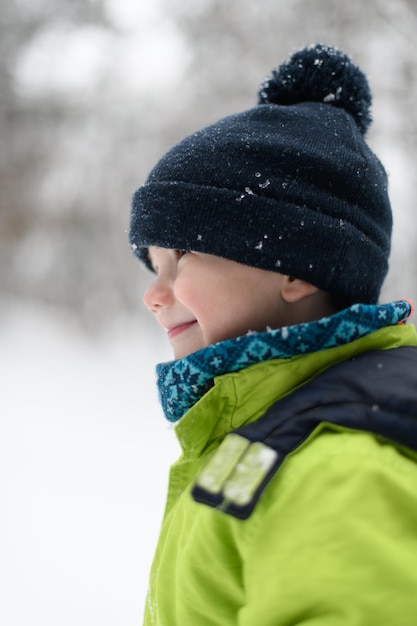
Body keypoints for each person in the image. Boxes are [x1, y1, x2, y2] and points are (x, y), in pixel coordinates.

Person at [129, 43, 417, 625]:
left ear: (295, 268)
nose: (154, 294)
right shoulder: (264, 432)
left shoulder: (340, 465)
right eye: (153, 265)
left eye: (182, 254)